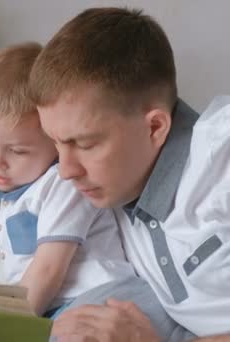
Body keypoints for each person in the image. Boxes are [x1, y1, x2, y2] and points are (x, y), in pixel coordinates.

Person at [29, 7, 229, 341]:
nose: (66, 170)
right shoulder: (117, 186)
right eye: (56, 142)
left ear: (154, 127)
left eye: (85, 144)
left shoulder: (220, 162)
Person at [0, 42, 135, 318]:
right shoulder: (1, 194)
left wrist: (11, 329)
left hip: (100, 296)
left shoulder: (64, 185)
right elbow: (28, 254)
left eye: (17, 150)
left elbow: (48, 269)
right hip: (56, 306)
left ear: (55, 142)